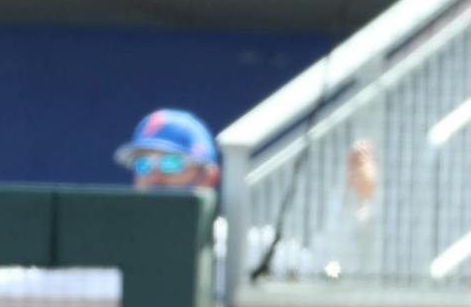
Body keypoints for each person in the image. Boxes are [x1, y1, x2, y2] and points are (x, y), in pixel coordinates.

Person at [114, 109, 381, 281]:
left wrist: (355, 200)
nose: (154, 176)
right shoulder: (109, 247)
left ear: (208, 177)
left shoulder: (243, 248)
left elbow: (324, 271)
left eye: (170, 164)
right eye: (143, 164)